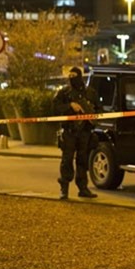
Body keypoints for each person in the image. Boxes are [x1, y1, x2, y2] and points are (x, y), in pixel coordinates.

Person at [53, 66, 101, 200]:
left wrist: (92, 116)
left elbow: (99, 109)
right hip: (69, 132)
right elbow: (55, 107)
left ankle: (83, 188)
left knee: (83, 160)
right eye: (70, 76)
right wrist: (70, 106)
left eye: (74, 76)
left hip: (85, 132)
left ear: (80, 77)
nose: (72, 79)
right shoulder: (65, 93)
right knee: (67, 160)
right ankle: (64, 189)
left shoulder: (90, 93)